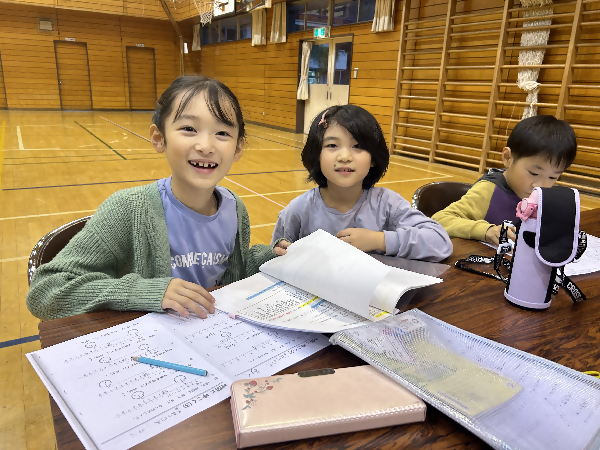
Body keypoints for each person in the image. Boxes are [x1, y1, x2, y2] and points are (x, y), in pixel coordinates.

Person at [27, 76, 287, 321]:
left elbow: (228, 275)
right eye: (189, 128)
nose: (206, 146)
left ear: (238, 147)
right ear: (159, 138)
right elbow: (45, 291)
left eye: (222, 133)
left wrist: (267, 258)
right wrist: (145, 291)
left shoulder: (235, 208)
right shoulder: (128, 209)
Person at [271, 105, 452, 262]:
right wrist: (278, 253)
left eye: (357, 146)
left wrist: (379, 240)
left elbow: (440, 242)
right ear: (316, 155)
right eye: (332, 145)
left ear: (373, 159)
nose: (344, 157)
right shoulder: (298, 210)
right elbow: (272, 258)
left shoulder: (388, 204)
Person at [432, 115, 577, 246]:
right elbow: (439, 219)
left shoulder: (545, 193)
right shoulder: (489, 190)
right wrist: (486, 230)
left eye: (552, 177)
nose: (540, 185)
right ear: (508, 158)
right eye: (533, 173)